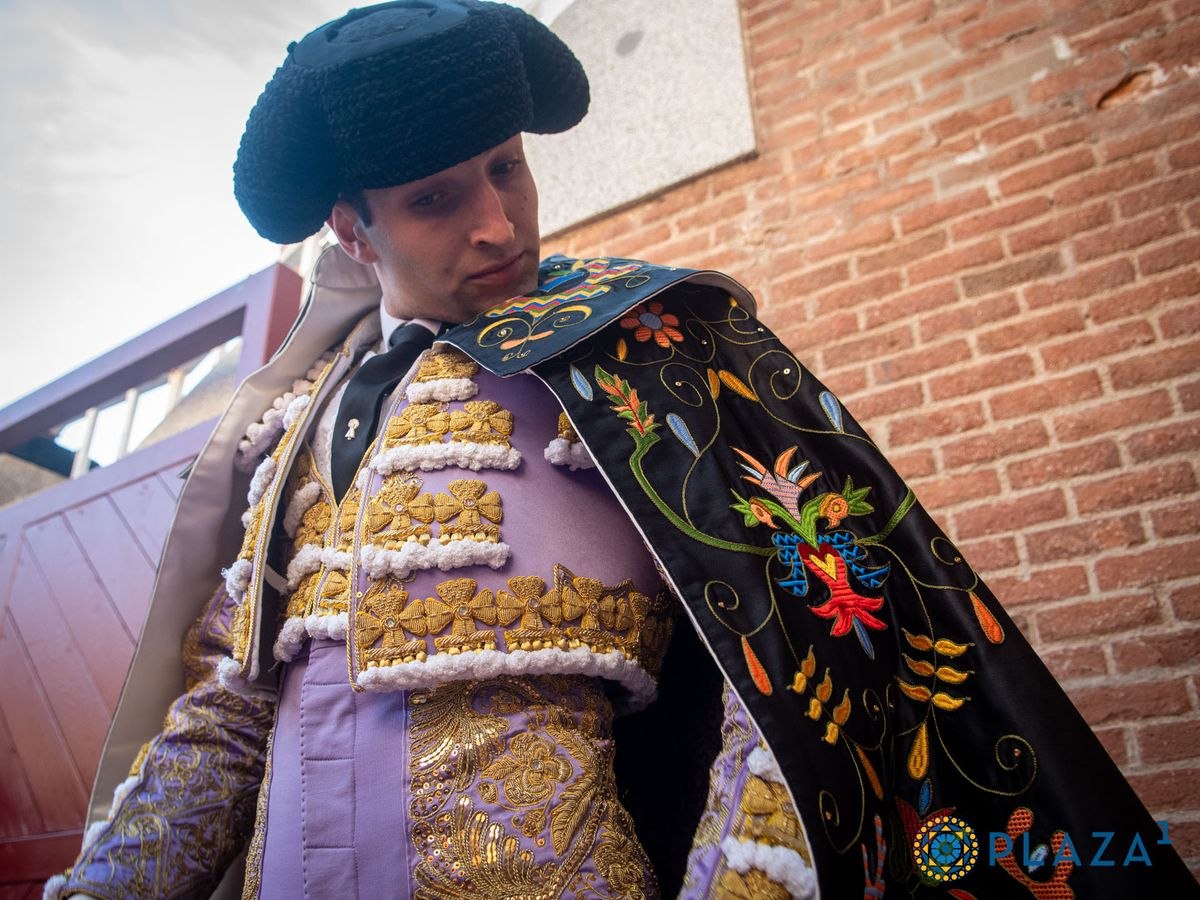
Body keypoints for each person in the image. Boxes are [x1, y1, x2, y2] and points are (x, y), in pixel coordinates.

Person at [48, 2, 1200, 898]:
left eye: (507, 167)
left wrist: (743, 883)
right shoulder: (304, 424)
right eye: (437, 199)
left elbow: (801, 674)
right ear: (355, 228)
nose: (497, 221)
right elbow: (230, 714)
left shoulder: (651, 345)